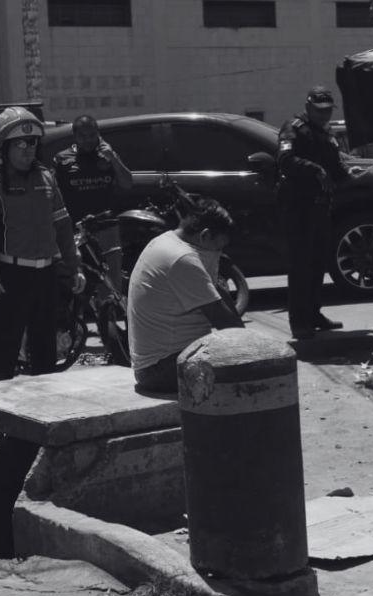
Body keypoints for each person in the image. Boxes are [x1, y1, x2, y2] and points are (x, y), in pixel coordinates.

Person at [0, 107, 86, 447]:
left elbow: (63, 227)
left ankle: (43, 421)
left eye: (32, 143)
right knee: (2, 352)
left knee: (44, 350)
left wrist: (75, 265)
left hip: (46, 274)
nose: (27, 149)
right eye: (19, 143)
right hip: (10, 275)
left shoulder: (47, 178)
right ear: (3, 148)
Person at [128, 197, 243, 393]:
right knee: (248, 368)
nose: (219, 253)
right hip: (162, 369)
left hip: (155, 365)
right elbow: (227, 324)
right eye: (218, 247)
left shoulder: (166, 240)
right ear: (205, 236)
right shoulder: (183, 259)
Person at [276, 86, 353, 340]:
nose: (324, 115)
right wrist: (315, 169)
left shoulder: (326, 133)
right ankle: (300, 323)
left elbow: (334, 166)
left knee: (319, 263)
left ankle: (314, 314)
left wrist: (346, 174)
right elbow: (285, 160)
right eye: (320, 111)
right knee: (301, 266)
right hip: (299, 207)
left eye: (328, 111)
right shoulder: (294, 128)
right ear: (308, 107)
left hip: (320, 206)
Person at [53, 115, 132, 291]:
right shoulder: (63, 160)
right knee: (76, 282)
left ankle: (110, 316)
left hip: (106, 227)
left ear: (98, 134)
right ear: (75, 136)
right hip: (76, 230)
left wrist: (113, 158)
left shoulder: (107, 155)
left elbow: (127, 183)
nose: (88, 140)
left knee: (111, 284)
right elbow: (53, 197)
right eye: (83, 136)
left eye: (92, 135)